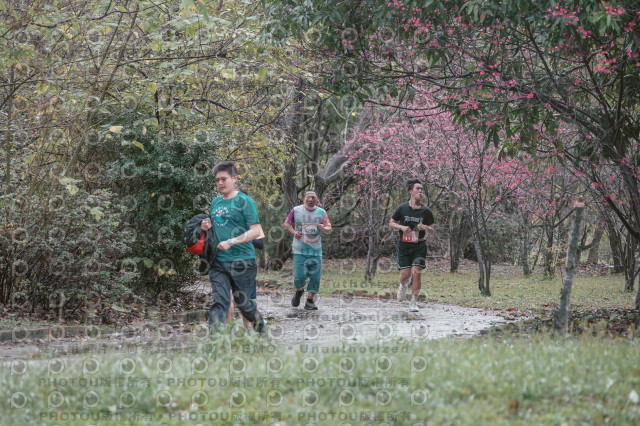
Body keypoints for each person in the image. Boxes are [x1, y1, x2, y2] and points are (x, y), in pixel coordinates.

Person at [200, 161, 265, 333]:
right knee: (220, 301)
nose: (220, 183)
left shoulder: (245, 201)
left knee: (244, 305)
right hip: (218, 262)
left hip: (243, 261)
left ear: (234, 179)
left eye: (224, 179)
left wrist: (231, 242)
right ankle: (215, 340)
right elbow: (216, 228)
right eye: (217, 180)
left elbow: (256, 231)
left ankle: (261, 330)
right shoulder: (215, 202)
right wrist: (205, 227)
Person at [389, 179, 434, 312]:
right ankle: (403, 285)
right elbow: (391, 222)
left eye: (421, 189)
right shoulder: (402, 208)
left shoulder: (426, 211)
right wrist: (402, 227)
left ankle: (413, 302)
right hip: (404, 246)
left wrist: (424, 227)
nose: (420, 191)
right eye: (417, 188)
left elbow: (432, 229)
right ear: (410, 191)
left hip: (419, 246)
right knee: (405, 275)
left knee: (417, 273)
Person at [284, 191, 332, 310]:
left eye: (313, 198)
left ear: (317, 200)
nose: (311, 199)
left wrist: (324, 228)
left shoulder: (321, 212)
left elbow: (329, 228)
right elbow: (287, 223)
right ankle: (299, 290)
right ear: (303, 199)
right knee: (300, 276)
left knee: (315, 277)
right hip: (299, 249)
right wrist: (294, 232)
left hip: (316, 250)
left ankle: (310, 301)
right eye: (308, 197)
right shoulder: (296, 210)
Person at [227, 189, 264, 329]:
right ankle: (229, 330)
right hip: (227, 262)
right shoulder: (225, 219)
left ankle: (246, 329)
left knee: (245, 299)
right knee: (228, 298)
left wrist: (242, 238)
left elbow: (260, 244)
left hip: (245, 262)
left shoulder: (252, 222)